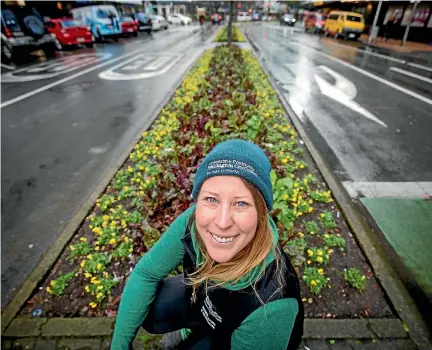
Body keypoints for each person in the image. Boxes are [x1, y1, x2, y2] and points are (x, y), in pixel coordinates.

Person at [111, 139, 304, 349]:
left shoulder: (271, 304)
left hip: (235, 338)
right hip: (209, 303)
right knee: (154, 308)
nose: (222, 223)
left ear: (261, 214)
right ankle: (197, 327)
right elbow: (146, 273)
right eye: (211, 199)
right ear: (198, 200)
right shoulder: (192, 222)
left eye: (241, 203)